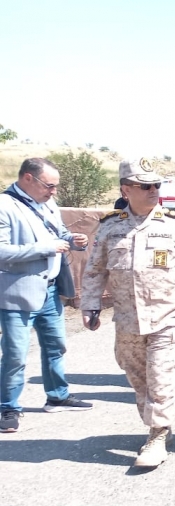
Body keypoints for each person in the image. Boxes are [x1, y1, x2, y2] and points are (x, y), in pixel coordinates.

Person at [80, 158, 175, 467]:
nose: (153, 191)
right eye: (145, 186)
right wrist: (90, 304)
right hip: (127, 320)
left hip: (167, 318)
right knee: (139, 379)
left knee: (162, 375)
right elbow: (95, 270)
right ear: (126, 190)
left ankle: (157, 435)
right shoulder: (111, 227)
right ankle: (159, 424)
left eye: (156, 186)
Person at [0, 158, 93, 432]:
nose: (54, 192)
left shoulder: (47, 202)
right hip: (18, 294)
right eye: (49, 186)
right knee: (16, 354)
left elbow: (60, 234)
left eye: (55, 187)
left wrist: (75, 239)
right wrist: (44, 248)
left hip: (50, 290)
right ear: (28, 178)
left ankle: (57, 395)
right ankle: (8, 407)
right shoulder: (4, 206)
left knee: (55, 346)